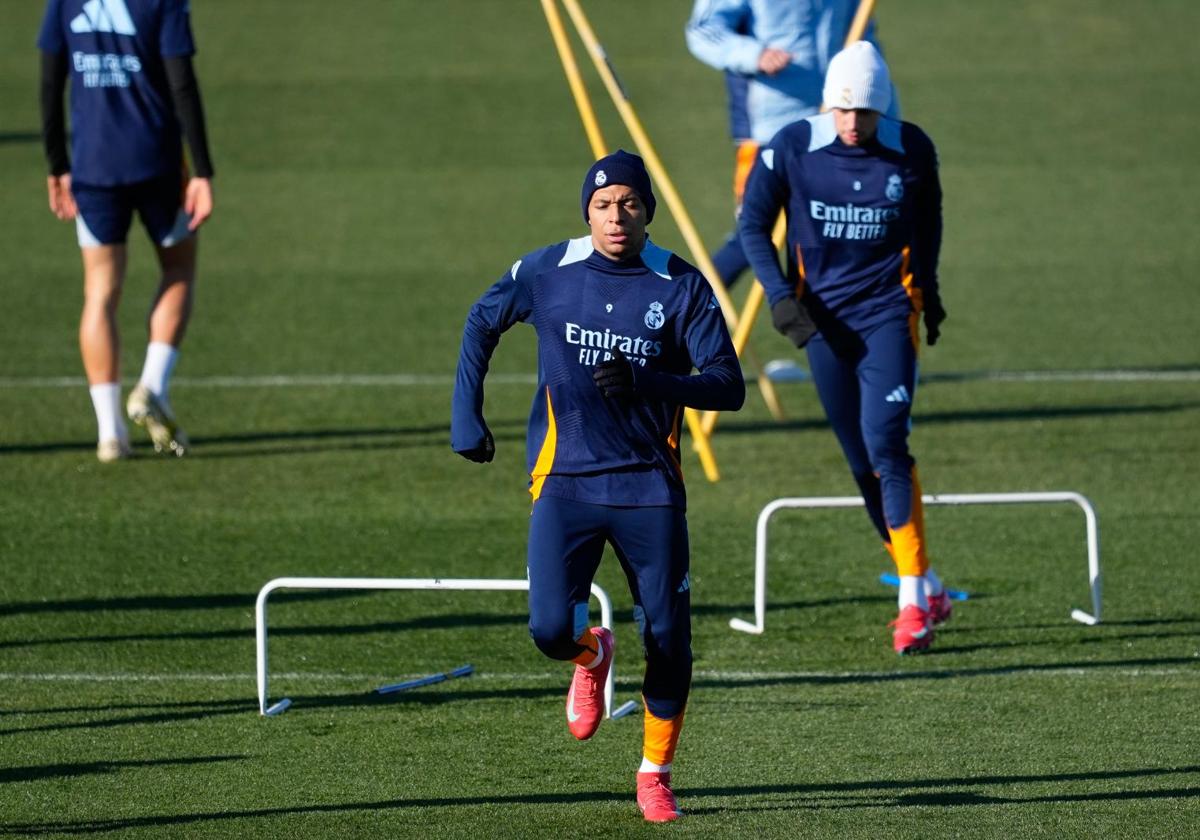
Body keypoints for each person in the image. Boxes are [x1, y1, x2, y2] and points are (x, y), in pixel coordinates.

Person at [451, 150, 744, 821]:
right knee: (551, 628)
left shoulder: (680, 285)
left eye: (630, 204)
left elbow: (728, 386)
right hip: (566, 479)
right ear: (587, 211)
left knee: (669, 638)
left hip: (650, 487)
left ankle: (655, 773)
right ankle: (593, 652)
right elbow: (480, 321)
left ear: (649, 210)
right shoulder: (548, 272)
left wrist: (652, 381)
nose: (617, 217)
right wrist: (465, 415)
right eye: (604, 205)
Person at [738, 42, 953, 654]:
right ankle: (930, 583)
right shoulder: (790, 147)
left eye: (865, 114)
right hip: (822, 325)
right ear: (827, 104)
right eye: (843, 111)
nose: (854, 125)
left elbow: (929, 224)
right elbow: (753, 225)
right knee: (861, 462)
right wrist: (781, 297)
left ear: (882, 110)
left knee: (887, 443)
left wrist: (928, 293)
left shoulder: (912, 151)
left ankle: (911, 602)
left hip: (888, 314)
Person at [38, 0, 215, 462]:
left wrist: (58, 165)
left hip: (94, 166)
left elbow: (50, 79)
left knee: (99, 292)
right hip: (157, 163)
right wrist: (201, 169)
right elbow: (181, 81)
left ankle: (110, 433)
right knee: (178, 269)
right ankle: (152, 385)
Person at [686, 0, 896, 290]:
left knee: (846, 227)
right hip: (769, 128)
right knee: (756, 230)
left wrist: (885, 116)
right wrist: (754, 54)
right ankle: (684, 310)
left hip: (839, 124)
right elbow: (703, 29)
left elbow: (863, 42)